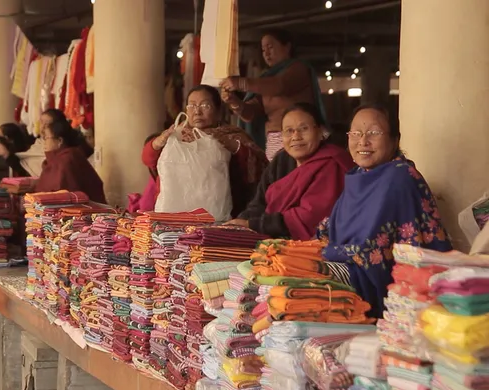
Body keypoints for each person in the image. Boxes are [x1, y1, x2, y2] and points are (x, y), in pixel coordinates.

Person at [318, 104, 453, 318]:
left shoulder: (400, 177)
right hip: (347, 267)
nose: (363, 141)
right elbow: (327, 231)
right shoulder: (357, 176)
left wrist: (324, 253)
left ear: (394, 140)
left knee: (306, 285)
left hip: (381, 285)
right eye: (356, 133)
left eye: (374, 133)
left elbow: (372, 251)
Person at [226, 103, 354, 240]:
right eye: (289, 131)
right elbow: (259, 203)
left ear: (321, 132)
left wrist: (252, 224)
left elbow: (310, 217)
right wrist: (238, 225)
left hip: (314, 244)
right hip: (272, 238)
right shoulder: (281, 161)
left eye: (303, 129)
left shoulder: (331, 162)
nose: (296, 136)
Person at [143, 85, 268, 218]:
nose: (197, 112)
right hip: (173, 216)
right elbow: (148, 160)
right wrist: (158, 143)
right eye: (192, 106)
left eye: (205, 106)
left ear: (219, 111)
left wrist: (234, 147)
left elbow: (260, 165)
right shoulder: (176, 136)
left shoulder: (231, 136)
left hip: (220, 215)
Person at [219, 29, 325, 161]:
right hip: (274, 139)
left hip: (299, 137)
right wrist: (234, 102)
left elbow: (280, 86)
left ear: (287, 47)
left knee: (299, 178)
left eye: (270, 47)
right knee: (278, 179)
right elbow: (250, 113)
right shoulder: (265, 78)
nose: (267, 53)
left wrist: (241, 83)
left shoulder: (298, 68)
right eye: (263, 50)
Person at [35, 120, 106, 203]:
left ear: (59, 141)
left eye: (46, 138)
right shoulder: (56, 159)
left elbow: (64, 195)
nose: (44, 143)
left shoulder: (67, 159)